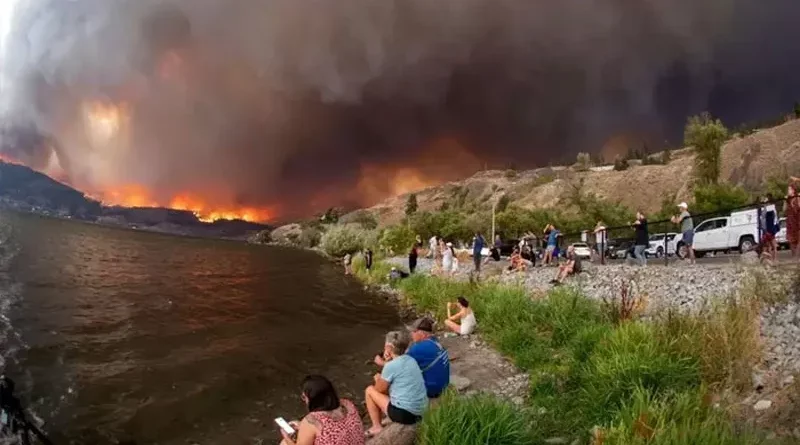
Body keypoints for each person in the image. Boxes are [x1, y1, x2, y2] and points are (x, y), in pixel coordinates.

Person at [365, 331, 428, 437]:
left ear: (389, 348)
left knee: (369, 390)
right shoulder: (411, 359)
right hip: (421, 410)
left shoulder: (390, 366)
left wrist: (378, 380)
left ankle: (376, 427)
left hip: (407, 415)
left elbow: (380, 390)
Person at [374, 318, 450, 400]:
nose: (411, 334)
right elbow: (403, 354)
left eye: (414, 331)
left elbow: (398, 365)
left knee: (382, 380)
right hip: (442, 385)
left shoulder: (419, 348)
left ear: (422, 334)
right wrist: (388, 350)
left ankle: (391, 403)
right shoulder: (433, 341)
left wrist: (381, 362)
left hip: (432, 389)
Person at [279, 375, 365, 445]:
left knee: (284, 443)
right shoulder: (347, 404)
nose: (304, 400)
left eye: (304, 397)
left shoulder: (312, 420)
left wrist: (286, 436)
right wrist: (302, 426)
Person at [759, 195, 779, 262]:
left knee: (771, 245)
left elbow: (767, 218)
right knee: (769, 246)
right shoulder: (769, 207)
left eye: (766, 199)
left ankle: (773, 259)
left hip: (769, 229)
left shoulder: (770, 208)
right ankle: (770, 259)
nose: (765, 200)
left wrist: (767, 229)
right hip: (768, 229)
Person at [785, 184, 800, 258]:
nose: (788, 191)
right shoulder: (787, 200)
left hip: (797, 222)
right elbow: (784, 210)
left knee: (798, 240)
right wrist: (787, 201)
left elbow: (798, 209)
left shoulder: (797, 198)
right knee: (791, 242)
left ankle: (796, 259)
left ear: (793, 190)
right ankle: (794, 258)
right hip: (790, 223)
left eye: (789, 189)